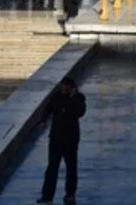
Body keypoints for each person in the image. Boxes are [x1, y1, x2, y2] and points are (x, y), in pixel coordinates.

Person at [38, 77, 86, 205]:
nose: (63, 89)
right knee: (52, 168)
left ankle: (70, 194)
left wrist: (72, 98)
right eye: (62, 87)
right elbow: (48, 108)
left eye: (66, 88)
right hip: (55, 138)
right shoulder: (57, 96)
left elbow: (80, 112)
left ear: (71, 88)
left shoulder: (79, 98)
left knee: (71, 168)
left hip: (70, 139)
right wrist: (43, 120)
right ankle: (47, 196)